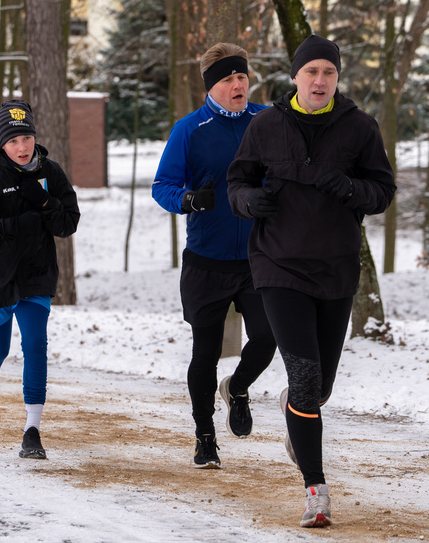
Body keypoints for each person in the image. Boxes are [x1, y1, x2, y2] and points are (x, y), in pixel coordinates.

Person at [227, 35, 396, 527]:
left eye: (328, 72)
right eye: (311, 72)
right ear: (295, 77)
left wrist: (351, 188)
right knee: (304, 377)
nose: (319, 80)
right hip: (278, 266)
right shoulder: (266, 125)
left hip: (335, 268)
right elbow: (237, 181)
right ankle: (316, 493)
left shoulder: (360, 128)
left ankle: (296, 406)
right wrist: (246, 202)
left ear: (337, 78)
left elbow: (382, 191)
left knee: (316, 389)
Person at [152, 43, 278, 469]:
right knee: (205, 352)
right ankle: (204, 436)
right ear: (212, 86)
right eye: (228, 79)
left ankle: (238, 388)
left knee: (269, 336)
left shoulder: (267, 120)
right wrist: (189, 199)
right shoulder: (190, 129)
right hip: (206, 259)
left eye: (242, 76)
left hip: (259, 256)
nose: (238, 84)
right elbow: (162, 187)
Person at [0, 99, 80, 459]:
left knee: (35, 345)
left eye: (26, 137)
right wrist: (14, 226)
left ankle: (32, 430)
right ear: (1, 145)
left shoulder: (51, 173)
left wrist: (45, 203)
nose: (22, 147)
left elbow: (68, 223)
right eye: (14, 141)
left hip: (35, 276)